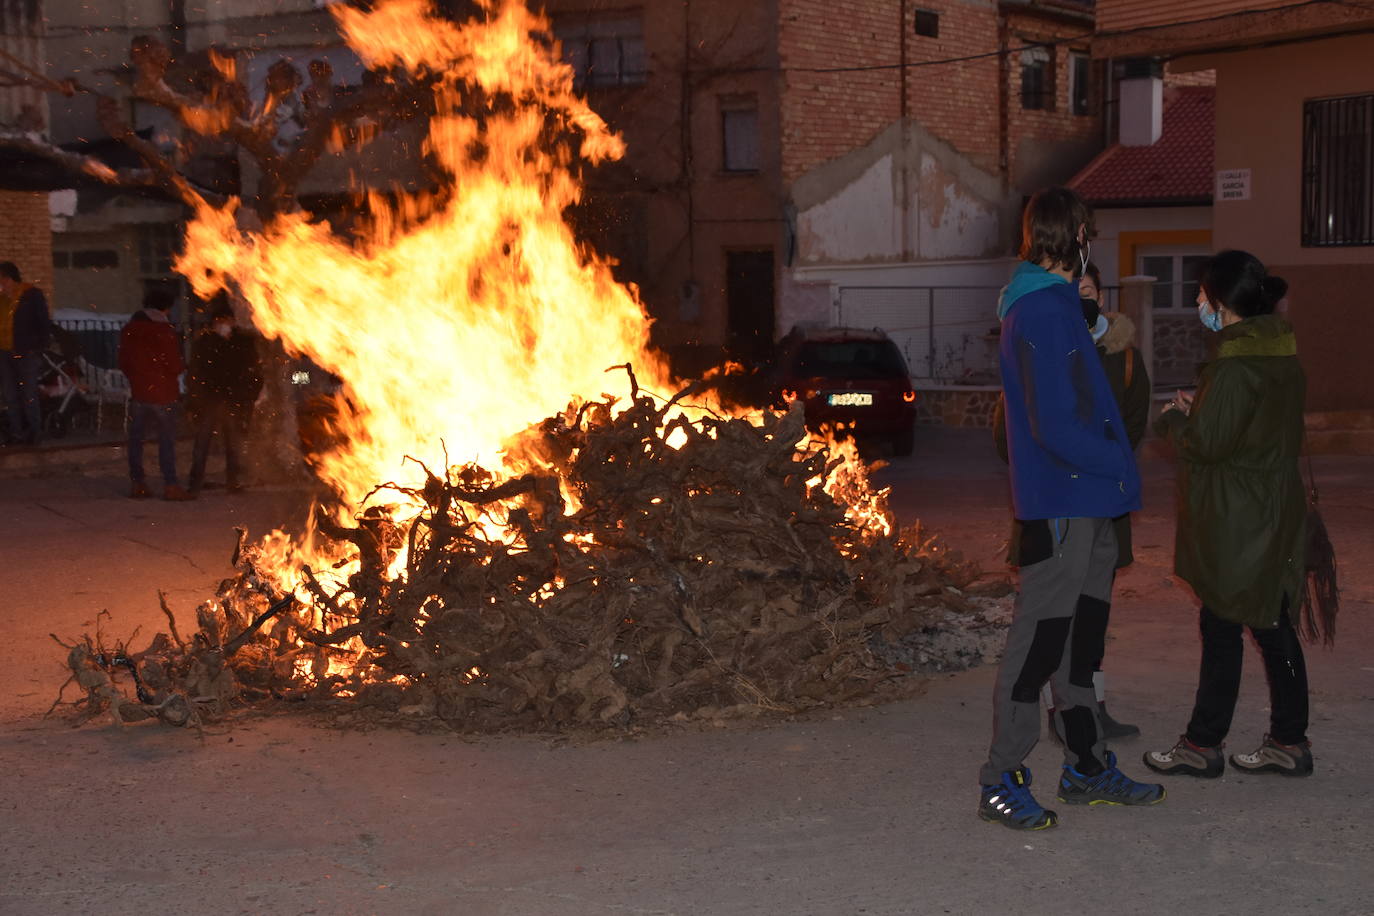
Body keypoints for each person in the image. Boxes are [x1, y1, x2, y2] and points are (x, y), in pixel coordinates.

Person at [979, 187, 1163, 831]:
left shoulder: (1059, 307)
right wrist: (1120, 461)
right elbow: (1054, 424)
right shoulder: (1041, 312)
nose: (1094, 242)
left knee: (1079, 646)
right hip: (1063, 501)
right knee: (1039, 645)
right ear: (1074, 234)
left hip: (1087, 502)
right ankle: (1001, 777)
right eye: (1089, 231)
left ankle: (1086, 766)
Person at [1144, 250, 1312, 779]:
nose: (1197, 302)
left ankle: (1202, 744)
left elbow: (1208, 445)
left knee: (1223, 624)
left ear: (1222, 303)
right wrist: (1206, 408)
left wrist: (1173, 418)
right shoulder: (1280, 358)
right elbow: (1250, 429)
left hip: (1237, 519)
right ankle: (1288, 739)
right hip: (1270, 508)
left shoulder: (1236, 367)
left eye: (1200, 295)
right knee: (1269, 621)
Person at [993, 260, 1152, 742]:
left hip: (1105, 503)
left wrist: (1111, 464)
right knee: (1049, 625)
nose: (1081, 299)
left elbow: (1130, 432)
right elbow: (1014, 435)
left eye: (1089, 291)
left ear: (1101, 298)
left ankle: (1086, 722)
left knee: (1089, 623)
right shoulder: (1041, 343)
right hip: (1058, 508)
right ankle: (1035, 743)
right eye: (1074, 289)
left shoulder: (1122, 360)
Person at [119, 287, 192, 500]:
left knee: (136, 440)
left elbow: (124, 362)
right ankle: (170, 485)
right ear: (166, 307)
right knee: (166, 440)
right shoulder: (164, 330)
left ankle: (138, 483)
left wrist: (137, 378)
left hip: (139, 393)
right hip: (164, 394)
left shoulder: (129, 330)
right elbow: (174, 364)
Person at [187, 303, 263, 494]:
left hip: (233, 400)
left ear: (233, 321)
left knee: (234, 443)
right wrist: (194, 399)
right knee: (202, 443)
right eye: (219, 321)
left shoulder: (242, 342)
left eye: (226, 321)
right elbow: (195, 371)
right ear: (214, 323)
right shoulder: (205, 342)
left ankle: (233, 481)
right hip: (209, 400)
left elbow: (252, 371)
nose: (223, 324)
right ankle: (195, 482)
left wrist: (249, 396)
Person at [0, 261, 50, 445]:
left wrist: (37, 347)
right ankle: (16, 431)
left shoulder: (30, 295)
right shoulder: (2, 299)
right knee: (10, 394)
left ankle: (34, 431)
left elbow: (43, 323)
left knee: (28, 393)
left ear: (8, 279)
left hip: (25, 352)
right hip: (4, 352)